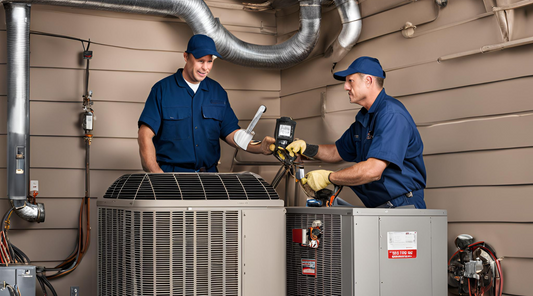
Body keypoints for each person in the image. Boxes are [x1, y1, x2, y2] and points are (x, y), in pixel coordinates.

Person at [287, 56, 427, 208]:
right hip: (382, 205)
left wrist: (329, 177)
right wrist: (306, 148)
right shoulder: (364, 119)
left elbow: (373, 170)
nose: (345, 87)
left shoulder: (391, 115)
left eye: (350, 81)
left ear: (368, 80)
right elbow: (336, 152)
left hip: (402, 204)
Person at [138, 34, 274, 173]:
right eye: (200, 61)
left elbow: (232, 133)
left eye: (209, 62)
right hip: (172, 177)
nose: (205, 68)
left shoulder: (217, 92)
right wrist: (157, 175)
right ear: (186, 57)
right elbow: (145, 135)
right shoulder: (162, 90)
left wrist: (260, 147)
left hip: (209, 177)